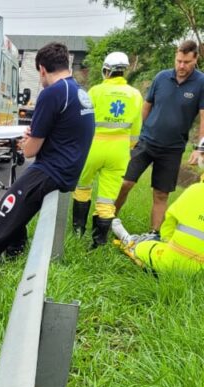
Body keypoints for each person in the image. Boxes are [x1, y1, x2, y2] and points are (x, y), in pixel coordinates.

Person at [0, 43, 95, 297]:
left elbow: (30, 150)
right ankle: (8, 250)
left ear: (42, 70)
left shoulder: (52, 93)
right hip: (66, 171)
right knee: (7, 217)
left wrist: (24, 143)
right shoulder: (77, 91)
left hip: (49, 171)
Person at [114, 40, 204, 233]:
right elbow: (147, 106)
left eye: (186, 62)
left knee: (161, 194)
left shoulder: (201, 82)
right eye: (178, 60)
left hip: (172, 148)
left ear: (195, 59)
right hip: (146, 142)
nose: (181, 66)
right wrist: (134, 137)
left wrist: (199, 148)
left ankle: (154, 235)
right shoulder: (161, 77)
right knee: (125, 182)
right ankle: (107, 220)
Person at [71, 51, 143, 247]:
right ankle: (98, 243)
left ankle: (77, 234)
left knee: (82, 188)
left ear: (106, 70)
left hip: (93, 146)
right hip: (119, 150)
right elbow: (136, 131)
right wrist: (126, 146)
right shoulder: (135, 95)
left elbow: (83, 121)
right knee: (106, 199)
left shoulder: (95, 91)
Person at [113, 139, 204, 273]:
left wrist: (166, 242)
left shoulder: (194, 190)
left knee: (141, 247)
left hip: (171, 261)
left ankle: (128, 239)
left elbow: (169, 222)